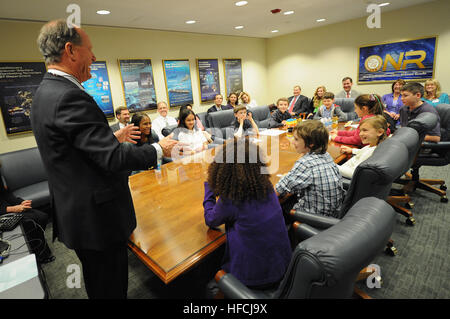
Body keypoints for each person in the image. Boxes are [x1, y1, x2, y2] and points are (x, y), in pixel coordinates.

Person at [31, 19, 178, 299]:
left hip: (77, 214)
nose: (95, 57)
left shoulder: (44, 94)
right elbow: (110, 160)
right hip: (97, 220)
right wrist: (160, 149)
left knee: (99, 282)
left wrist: (111, 138)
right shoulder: (69, 97)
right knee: (110, 287)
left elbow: (73, 152)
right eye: (91, 49)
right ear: (71, 50)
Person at [203, 138, 292, 289]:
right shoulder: (266, 186)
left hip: (253, 278)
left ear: (223, 169)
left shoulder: (231, 198)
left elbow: (211, 219)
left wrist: (209, 188)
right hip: (284, 266)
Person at [275, 120, 344, 217]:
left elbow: (278, 190)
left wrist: (285, 177)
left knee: (279, 205)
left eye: (296, 139)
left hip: (315, 217)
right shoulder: (325, 155)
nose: (292, 141)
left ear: (311, 143)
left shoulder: (306, 164)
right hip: (333, 213)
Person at [0, 171, 54, 264]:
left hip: (7, 206)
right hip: (3, 213)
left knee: (42, 216)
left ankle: (40, 251)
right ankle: (39, 255)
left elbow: (6, 194)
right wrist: (14, 208)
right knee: (30, 221)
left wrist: (20, 202)